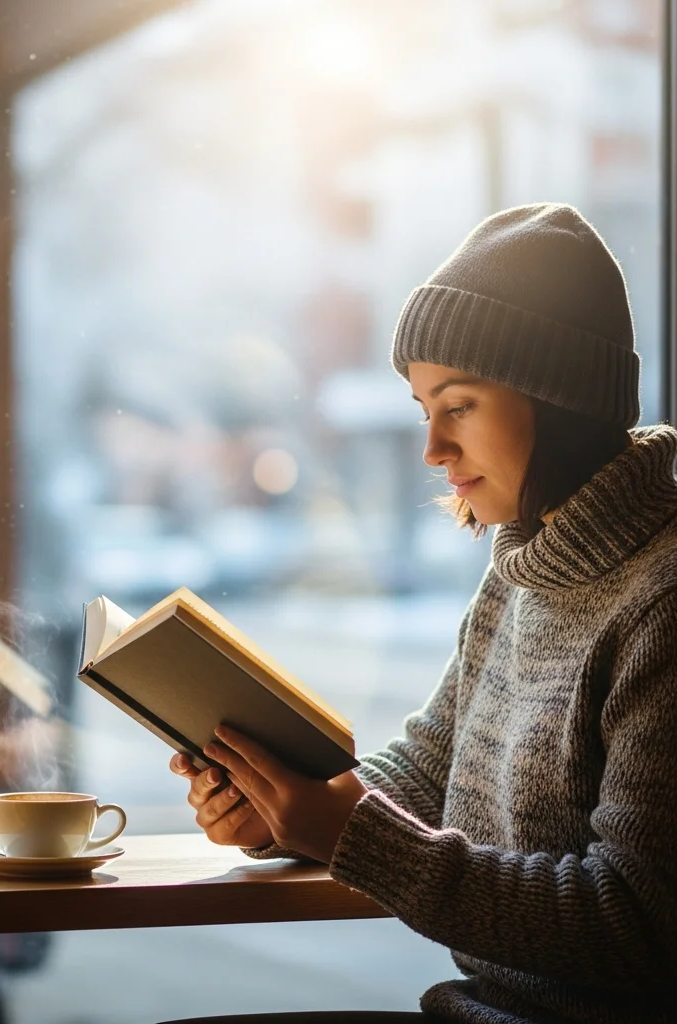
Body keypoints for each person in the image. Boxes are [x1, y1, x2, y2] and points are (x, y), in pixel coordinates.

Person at [164, 204, 677, 1024]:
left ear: (560, 397)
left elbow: (638, 923)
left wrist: (352, 836)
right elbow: (431, 768)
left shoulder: (664, 598)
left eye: (459, 404)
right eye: (422, 408)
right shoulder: (525, 565)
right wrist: (282, 805)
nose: (432, 449)